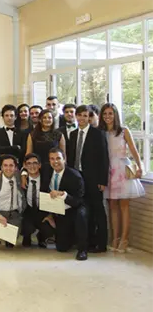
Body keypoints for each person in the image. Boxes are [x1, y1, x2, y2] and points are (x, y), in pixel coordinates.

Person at [99, 103, 146, 253]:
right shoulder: (100, 132)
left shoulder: (124, 131)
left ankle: (124, 239)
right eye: (105, 113)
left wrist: (140, 167)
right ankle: (115, 237)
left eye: (110, 113)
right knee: (112, 206)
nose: (107, 116)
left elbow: (134, 151)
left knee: (124, 206)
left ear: (115, 115)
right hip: (108, 170)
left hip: (122, 169)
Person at [67, 104, 109, 253]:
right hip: (78, 178)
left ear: (89, 118)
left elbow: (104, 159)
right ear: (76, 117)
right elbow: (71, 158)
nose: (82, 118)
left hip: (94, 178)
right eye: (80, 115)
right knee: (84, 210)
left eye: (86, 116)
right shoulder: (72, 135)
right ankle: (88, 241)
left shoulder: (97, 134)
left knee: (98, 210)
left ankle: (102, 243)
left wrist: (103, 181)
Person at [45, 147, 89, 261]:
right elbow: (30, 168)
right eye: (52, 159)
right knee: (61, 248)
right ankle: (69, 238)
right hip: (58, 210)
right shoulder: (47, 171)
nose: (55, 162)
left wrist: (64, 195)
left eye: (58, 158)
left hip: (74, 207)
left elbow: (78, 200)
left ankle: (82, 249)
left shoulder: (75, 176)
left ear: (64, 159)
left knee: (81, 215)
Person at [20, 153, 52, 248]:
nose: (32, 166)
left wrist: (51, 215)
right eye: (29, 163)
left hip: (42, 210)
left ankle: (41, 236)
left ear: (40, 165)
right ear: (25, 165)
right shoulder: (21, 178)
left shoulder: (46, 178)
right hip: (28, 211)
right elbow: (7, 172)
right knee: (26, 227)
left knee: (49, 228)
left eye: (35, 163)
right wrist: (23, 173)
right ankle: (27, 236)